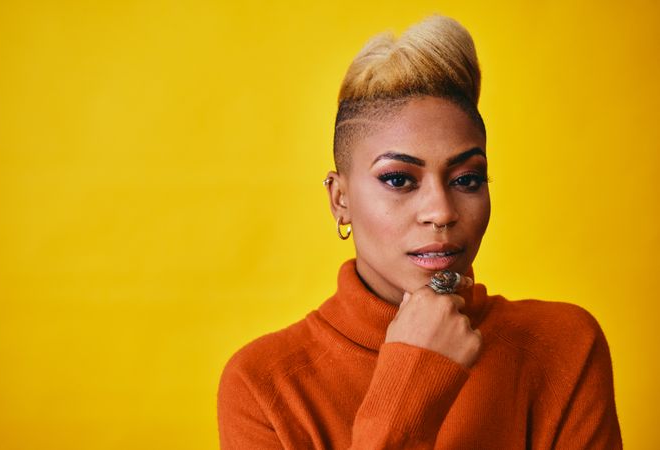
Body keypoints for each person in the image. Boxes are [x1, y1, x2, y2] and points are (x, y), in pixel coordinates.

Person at [217, 13, 622, 449]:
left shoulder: (563, 347)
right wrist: (410, 386)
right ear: (341, 199)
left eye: (466, 179)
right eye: (398, 179)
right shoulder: (264, 384)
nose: (441, 212)